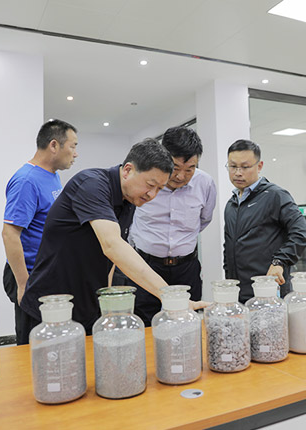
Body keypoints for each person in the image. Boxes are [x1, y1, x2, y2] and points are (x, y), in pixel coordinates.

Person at [19, 139, 208, 344]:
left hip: (88, 309)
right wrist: (169, 296)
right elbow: (112, 246)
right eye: (150, 185)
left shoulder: (130, 200)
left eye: (159, 189)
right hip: (50, 308)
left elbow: (110, 260)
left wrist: (106, 307)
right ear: (128, 170)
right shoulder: (91, 184)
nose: (152, 195)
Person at [121, 127, 217, 326]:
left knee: (186, 324)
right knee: (146, 324)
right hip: (145, 266)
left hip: (186, 269)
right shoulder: (143, 183)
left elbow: (204, 220)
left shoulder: (205, 184)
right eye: (175, 167)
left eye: (189, 169)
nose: (181, 176)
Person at [1, 119, 78, 344]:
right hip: (31, 275)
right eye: (72, 146)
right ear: (54, 145)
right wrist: (24, 285)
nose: (75, 153)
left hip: (47, 273)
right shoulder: (27, 180)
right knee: (33, 344)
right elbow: (10, 234)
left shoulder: (52, 175)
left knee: (52, 342)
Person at [223, 139, 306, 302]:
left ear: (259, 166)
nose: (238, 173)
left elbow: (301, 232)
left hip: (268, 290)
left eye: (245, 167)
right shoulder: (231, 204)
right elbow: (229, 246)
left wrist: (280, 261)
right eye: (233, 166)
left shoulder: (275, 195)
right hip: (238, 293)